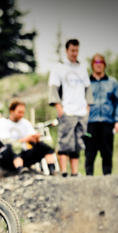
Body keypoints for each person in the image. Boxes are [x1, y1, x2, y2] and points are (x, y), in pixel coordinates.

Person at [48, 39, 94, 177]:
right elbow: (53, 88)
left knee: (78, 142)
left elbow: (88, 88)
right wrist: (58, 106)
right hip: (67, 110)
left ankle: (75, 172)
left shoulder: (81, 68)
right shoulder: (59, 68)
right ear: (67, 50)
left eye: (77, 51)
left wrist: (88, 106)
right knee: (65, 141)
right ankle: (63, 172)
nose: (75, 53)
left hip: (81, 111)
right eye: (72, 50)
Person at [0, 99, 57, 175]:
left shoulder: (25, 123)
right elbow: (5, 140)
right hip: (7, 156)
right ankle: (20, 169)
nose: (21, 115)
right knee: (16, 146)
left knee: (47, 143)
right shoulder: (3, 122)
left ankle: (52, 170)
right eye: (19, 112)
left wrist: (36, 138)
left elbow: (31, 137)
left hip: (25, 153)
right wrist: (25, 139)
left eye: (23, 112)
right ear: (11, 111)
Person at [85, 54, 118, 175]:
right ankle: (88, 180)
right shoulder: (86, 83)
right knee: (90, 154)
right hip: (90, 123)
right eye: (96, 62)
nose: (99, 64)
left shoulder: (112, 82)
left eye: (101, 62)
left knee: (107, 153)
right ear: (92, 65)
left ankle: (108, 180)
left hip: (107, 122)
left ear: (104, 65)